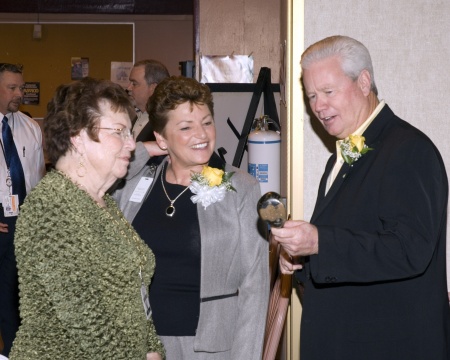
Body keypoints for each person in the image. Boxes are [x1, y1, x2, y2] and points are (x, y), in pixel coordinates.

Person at [272, 35, 450, 360]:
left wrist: (319, 244)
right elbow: (350, 245)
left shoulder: (409, 149)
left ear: (364, 81)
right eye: (311, 95)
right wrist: (301, 261)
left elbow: (409, 249)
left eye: (328, 91)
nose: (318, 106)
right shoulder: (341, 156)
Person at [113, 76, 269, 359]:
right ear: (161, 136)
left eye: (207, 122)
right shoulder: (135, 181)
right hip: (139, 344)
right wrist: (148, 148)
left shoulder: (241, 187)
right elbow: (99, 167)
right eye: (186, 127)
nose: (202, 134)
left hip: (211, 347)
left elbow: (254, 286)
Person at [9, 77, 165, 360]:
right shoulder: (52, 205)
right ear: (77, 137)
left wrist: (152, 349)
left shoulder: (102, 201)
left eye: (130, 132)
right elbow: (87, 319)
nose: (131, 144)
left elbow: (135, 294)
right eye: (119, 131)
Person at [0, 63, 45, 357]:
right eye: (12, 88)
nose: (20, 93)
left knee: (14, 297)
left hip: (24, 223)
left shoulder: (30, 128)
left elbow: (39, 178)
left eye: (21, 87)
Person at [127, 59, 170, 142]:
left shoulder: (164, 123)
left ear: (153, 88)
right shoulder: (131, 115)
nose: (129, 88)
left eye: (134, 84)